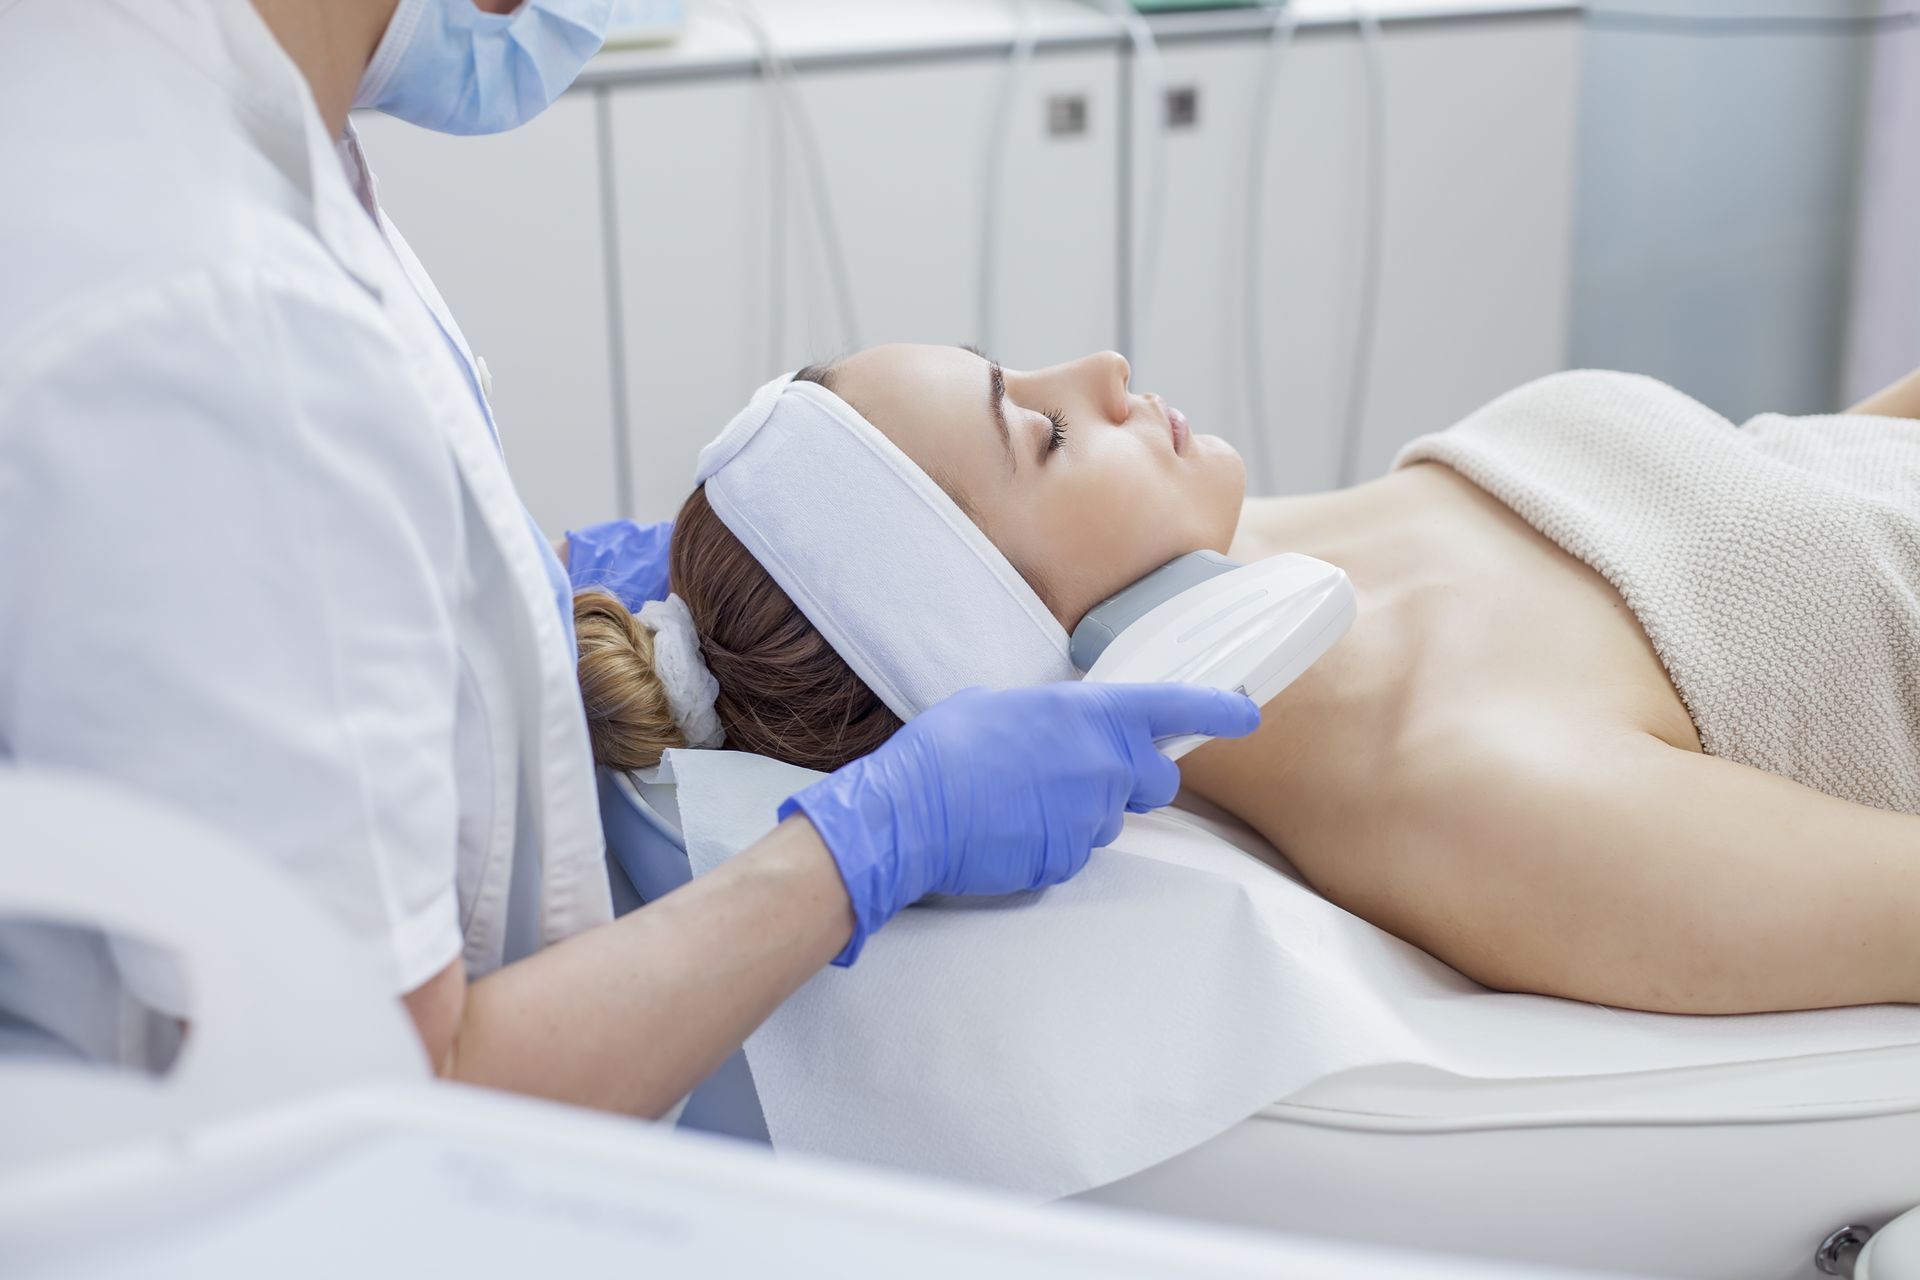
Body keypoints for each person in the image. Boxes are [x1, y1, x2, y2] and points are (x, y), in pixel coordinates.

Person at [0, 2, 1258, 1110]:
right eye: (1036, 430)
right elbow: (378, 1111)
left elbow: (313, 595)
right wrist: (868, 841)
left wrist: (531, 597)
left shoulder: (216, 128)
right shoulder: (214, 320)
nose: (1109, 370)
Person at [573, 343, 1920, 1018]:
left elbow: (1797, 484)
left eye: (1013, 365)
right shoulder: (1473, 787)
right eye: (1040, 435)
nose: (1096, 368)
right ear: (1005, 634)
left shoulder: (1323, 528)